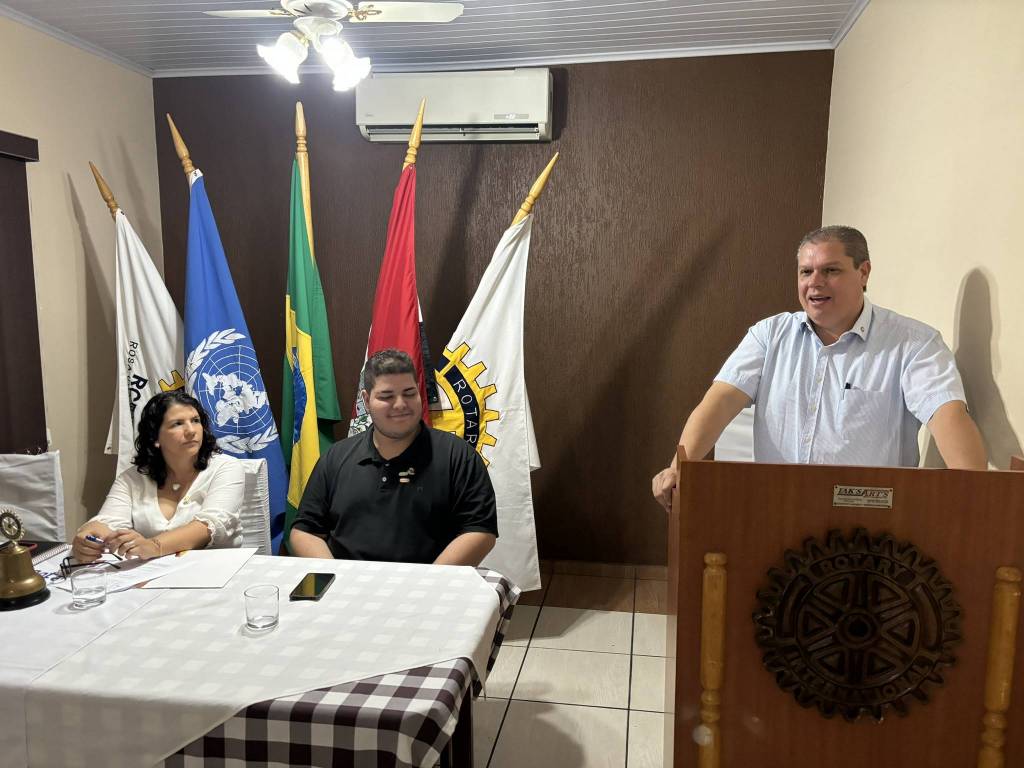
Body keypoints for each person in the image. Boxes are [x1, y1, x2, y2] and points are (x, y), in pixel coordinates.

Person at [652, 225, 986, 510]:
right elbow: (721, 400)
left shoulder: (914, 343)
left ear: (864, 272)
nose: (815, 282)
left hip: (873, 528)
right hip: (776, 511)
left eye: (831, 270)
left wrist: (977, 497)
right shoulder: (769, 335)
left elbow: (947, 415)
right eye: (806, 272)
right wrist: (679, 467)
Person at [290, 349, 498, 566]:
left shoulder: (459, 456)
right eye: (387, 396)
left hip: (431, 581)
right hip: (347, 581)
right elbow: (305, 531)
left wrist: (427, 581)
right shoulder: (335, 457)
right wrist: (338, 576)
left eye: (409, 393)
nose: (400, 404)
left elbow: (480, 532)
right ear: (366, 400)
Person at [71, 391, 244, 561]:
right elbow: (108, 522)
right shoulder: (132, 479)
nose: (191, 430)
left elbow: (211, 525)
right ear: (155, 436)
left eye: (195, 421)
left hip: (217, 569)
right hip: (152, 573)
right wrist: (89, 537)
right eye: (177, 424)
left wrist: (154, 546)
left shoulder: (226, 467)